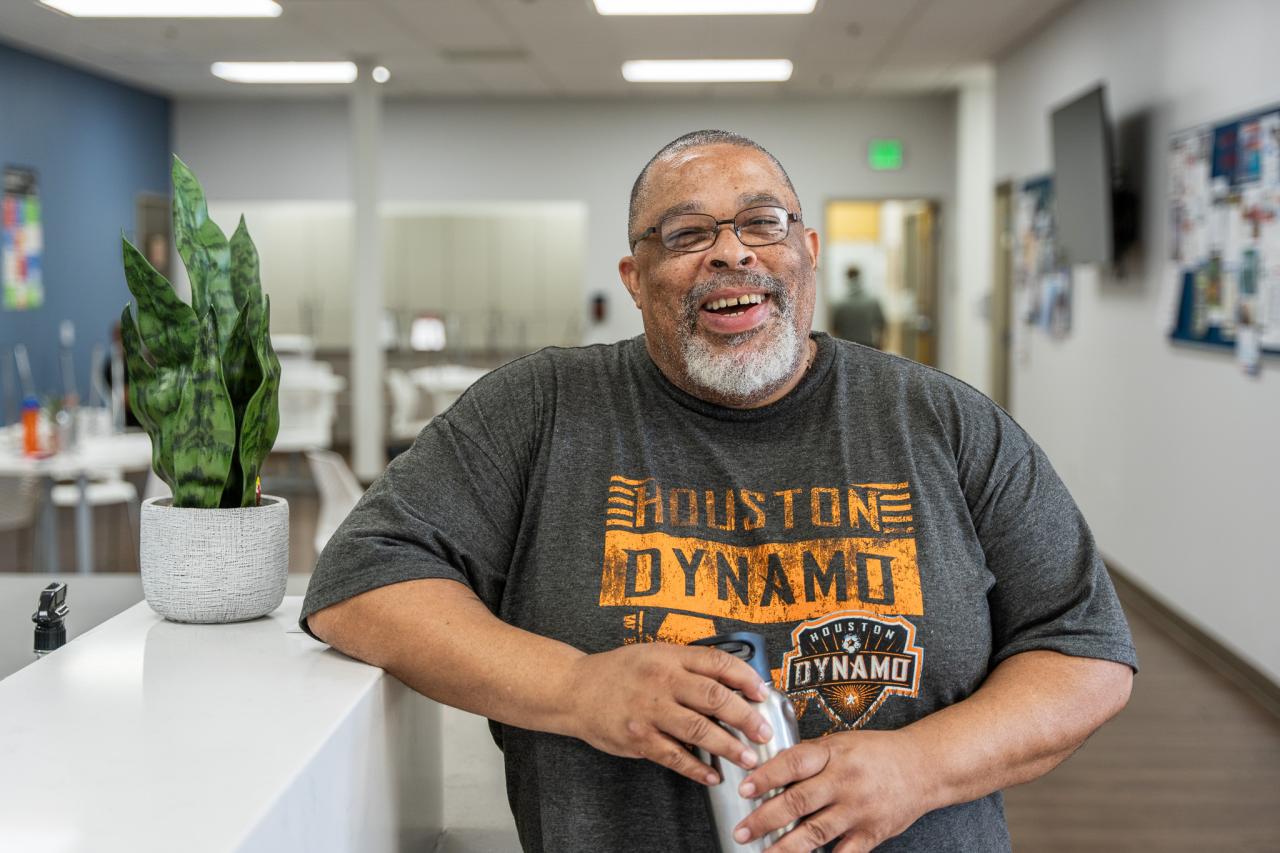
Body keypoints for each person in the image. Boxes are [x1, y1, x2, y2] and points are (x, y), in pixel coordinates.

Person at [301, 130, 1136, 853]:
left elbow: (1086, 650)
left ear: (806, 246)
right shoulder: (540, 409)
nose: (732, 252)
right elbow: (360, 580)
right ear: (635, 276)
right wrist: (577, 688)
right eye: (687, 232)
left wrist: (922, 764)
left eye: (761, 223)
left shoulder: (943, 420)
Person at [831, 265, 886, 349]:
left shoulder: (839, 302)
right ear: (860, 276)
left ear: (847, 277)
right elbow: (881, 324)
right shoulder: (873, 300)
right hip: (867, 345)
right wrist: (880, 343)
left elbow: (835, 328)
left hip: (846, 346)